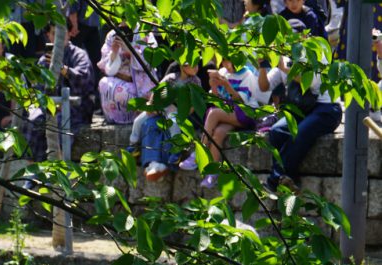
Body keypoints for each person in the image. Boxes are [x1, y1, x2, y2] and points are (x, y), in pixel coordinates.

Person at [260, 54, 342, 192]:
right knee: (276, 131)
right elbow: (263, 87)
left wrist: (282, 65)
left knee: (299, 134)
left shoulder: (316, 52)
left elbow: (307, 81)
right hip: (304, 110)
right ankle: (290, 179)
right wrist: (262, 65)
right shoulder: (283, 59)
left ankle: (275, 180)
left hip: (327, 109)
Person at [23, 24, 97, 164]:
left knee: (60, 120)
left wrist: (62, 68)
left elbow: (84, 81)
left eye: (61, 33)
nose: (57, 37)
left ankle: (59, 168)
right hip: (49, 106)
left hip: (76, 106)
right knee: (33, 118)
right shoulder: (43, 61)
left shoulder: (78, 54)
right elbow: (37, 89)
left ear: (69, 33)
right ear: (48, 36)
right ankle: (33, 172)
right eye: (53, 33)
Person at [197, 59, 270, 188]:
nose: (225, 65)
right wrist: (213, 84)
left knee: (213, 113)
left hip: (245, 113)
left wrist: (226, 85)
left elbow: (240, 99)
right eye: (223, 61)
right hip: (229, 114)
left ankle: (200, 149)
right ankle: (213, 173)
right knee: (218, 132)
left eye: (228, 61)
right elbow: (216, 100)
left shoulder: (247, 74)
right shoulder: (223, 72)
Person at [128, 63, 201, 181]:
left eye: (196, 65)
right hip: (161, 109)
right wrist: (151, 105)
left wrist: (185, 113)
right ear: (183, 66)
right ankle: (133, 145)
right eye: (192, 65)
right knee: (139, 121)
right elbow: (158, 90)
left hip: (177, 111)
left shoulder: (195, 82)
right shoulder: (171, 78)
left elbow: (195, 102)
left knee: (174, 123)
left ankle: (175, 151)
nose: (196, 68)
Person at [96, 26, 155, 124]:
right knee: (104, 83)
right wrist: (114, 52)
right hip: (118, 79)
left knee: (122, 91)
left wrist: (130, 50)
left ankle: (134, 118)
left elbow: (149, 62)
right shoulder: (112, 34)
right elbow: (106, 66)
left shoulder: (145, 33)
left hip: (141, 84)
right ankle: (114, 118)